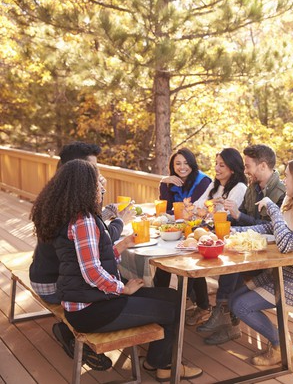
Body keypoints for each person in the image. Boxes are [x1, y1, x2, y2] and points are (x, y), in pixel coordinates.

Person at [30, 159, 203, 381]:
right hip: (91, 310)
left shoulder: (71, 216)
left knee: (172, 297)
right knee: (175, 308)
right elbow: (92, 272)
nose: (102, 188)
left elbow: (89, 259)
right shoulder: (84, 221)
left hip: (89, 300)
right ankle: (164, 366)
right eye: (97, 184)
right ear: (83, 188)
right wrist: (123, 289)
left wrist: (123, 245)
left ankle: (156, 362)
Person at [29, 141, 134, 370]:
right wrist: (118, 221)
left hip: (41, 273)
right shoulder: (71, 204)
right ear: (76, 168)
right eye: (93, 170)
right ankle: (73, 336)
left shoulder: (57, 194)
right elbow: (100, 238)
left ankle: (69, 330)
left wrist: (100, 196)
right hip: (54, 282)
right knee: (119, 286)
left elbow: (93, 229)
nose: (98, 174)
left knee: (114, 282)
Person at [229, 158, 293, 366]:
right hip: (279, 273)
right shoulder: (291, 201)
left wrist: (272, 207)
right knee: (234, 299)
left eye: (288, 176)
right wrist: (231, 232)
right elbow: (271, 229)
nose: (284, 181)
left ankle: (280, 345)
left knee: (241, 306)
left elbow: (287, 244)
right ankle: (279, 342)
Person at [197, 144, 286, 345]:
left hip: (271, 256)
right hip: (251, 249)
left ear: (263, 166)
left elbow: (273, 228)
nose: (245, 171)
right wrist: (224, 219)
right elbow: (243, 219)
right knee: (226, 256)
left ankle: (224, 315)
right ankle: (226, 320)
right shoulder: (254, 188)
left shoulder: (282, 194)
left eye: (248, 166)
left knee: (230, 265)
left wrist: (239, 215)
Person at [183, 147, 248, 326]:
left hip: (228, 238)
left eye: (222, 165)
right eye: (216, 164)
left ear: (233, 168)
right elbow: (196, 206)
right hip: (208, 235)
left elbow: (224, 217)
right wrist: (208, 208)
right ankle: (200, 304)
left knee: (194, 261)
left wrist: (206, 210)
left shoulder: (240, 187)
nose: (217, 169)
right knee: (187, 259)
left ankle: (218, 311)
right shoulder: (215, 185)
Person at [154, 148, 212, 320]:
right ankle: (160, 302)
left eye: (186, 163)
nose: (182, 167)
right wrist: (164, 182)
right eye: (177, 163)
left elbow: (190, 210)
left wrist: (171, 213)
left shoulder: (203, 181)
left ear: (192, 164)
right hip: (178, 230)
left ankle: (197, 305)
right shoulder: (173, 181)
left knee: (188, 264)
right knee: (163, 260)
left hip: (198, 229)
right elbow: (165, 209)